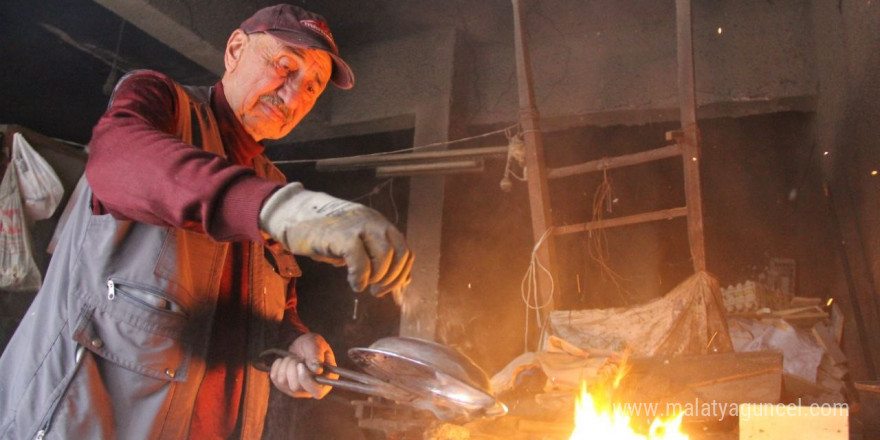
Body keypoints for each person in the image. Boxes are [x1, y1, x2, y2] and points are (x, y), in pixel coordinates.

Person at [0, 4, 413, 439]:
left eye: (311, 87)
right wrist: (280, 210)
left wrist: (291, 341)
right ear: (235, 49)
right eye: (284, 67)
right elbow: (117, 161)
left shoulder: (269, 179)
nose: (292, 96)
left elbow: (261, 304)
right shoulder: (162, 104)